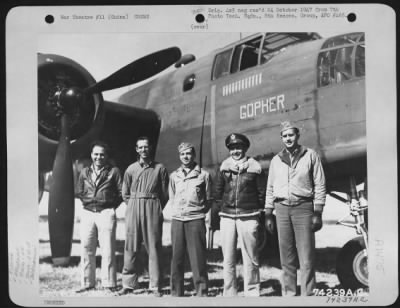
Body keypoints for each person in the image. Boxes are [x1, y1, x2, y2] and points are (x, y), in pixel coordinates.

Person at [264, 121, 326, 296]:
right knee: (286, 256)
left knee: (306, 257)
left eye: (291, 135)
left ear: (297, 136)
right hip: (281, 209)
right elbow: (270, 187)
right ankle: (289, 294)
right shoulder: (276, 160)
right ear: (281, 138)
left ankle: (308, 294)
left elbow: (320, 184)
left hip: (303, 208)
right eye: (284, 136)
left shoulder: (310, 155)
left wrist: (318, 211)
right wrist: (268, 213)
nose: (288, 138)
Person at [213, 133, 266, 296]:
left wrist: (257, 213)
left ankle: (252, 291)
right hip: (227, 217)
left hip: (249, 216)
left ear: (245, 148)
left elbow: (261, 193)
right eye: (233, 148)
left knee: (250, 256)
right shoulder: (223, 168)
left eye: (239, 148)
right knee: (228, 257)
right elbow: (217, 192)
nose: (236, 151)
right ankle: (229, 292)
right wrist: (221, 210)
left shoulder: (255, 168)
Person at [118, 136, 169, 297]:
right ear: (136, 149)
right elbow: (125, 193)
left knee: (153, 246)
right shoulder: (131, 169)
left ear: (150, 148)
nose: (143, 150)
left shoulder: (160, 168)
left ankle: (155, 285)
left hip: (152, 205)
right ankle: (128, 284)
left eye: (146, 147)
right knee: (131, 245)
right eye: (140, 147)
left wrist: (155, 206)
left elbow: (165, 193)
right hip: (134, 205)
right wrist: (135, 203)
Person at [76, 141, 122, 293]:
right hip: (88, 212)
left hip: (106, 212)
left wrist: (110, 206)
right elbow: (79, 191)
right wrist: (88, 201)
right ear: (91, 155)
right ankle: (87, 282)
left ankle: (109, 284)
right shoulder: (84, 172)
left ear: (106, 156)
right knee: (86, 248)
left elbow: (121, 192)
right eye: (96, 154)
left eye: (102, 154)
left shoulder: (114, 171)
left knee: (107, 249)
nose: (98, 157)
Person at [169, 142, 212, 297]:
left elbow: (208, 199)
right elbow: (172, 196)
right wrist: (178, 212)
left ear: (193, 155)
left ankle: (202, 292)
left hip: (195, 220)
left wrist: (198, 211)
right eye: (182, 154)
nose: (185, 157)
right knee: (177, 258)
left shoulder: (203, 175)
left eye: (188, 153)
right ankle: (176, 293)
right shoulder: (174, 176)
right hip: (178, 220)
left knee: (198, 258)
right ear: (179, 156)